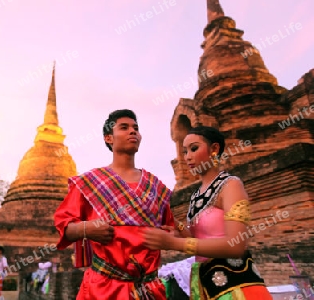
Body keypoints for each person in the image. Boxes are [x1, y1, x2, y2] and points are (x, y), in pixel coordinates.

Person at [54, 109, 175, 299]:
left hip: (149, 289)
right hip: (104, 287)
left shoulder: (155, 187)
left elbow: (172, 229)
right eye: (124, 127)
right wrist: (86, 229)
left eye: (136, 128)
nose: (132, 131)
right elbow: (64, 227)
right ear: (108, 138)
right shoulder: (90, 182)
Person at [143, 126, 272, 299]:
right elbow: (200, 238)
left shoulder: (230, 185)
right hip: (205, 285)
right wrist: (176, 226)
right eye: (185, 151)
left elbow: (236, 246)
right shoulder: (196, 195)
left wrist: (174, 244)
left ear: (214, 149)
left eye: (194, 148)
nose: (188, 156)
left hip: (235, 285)